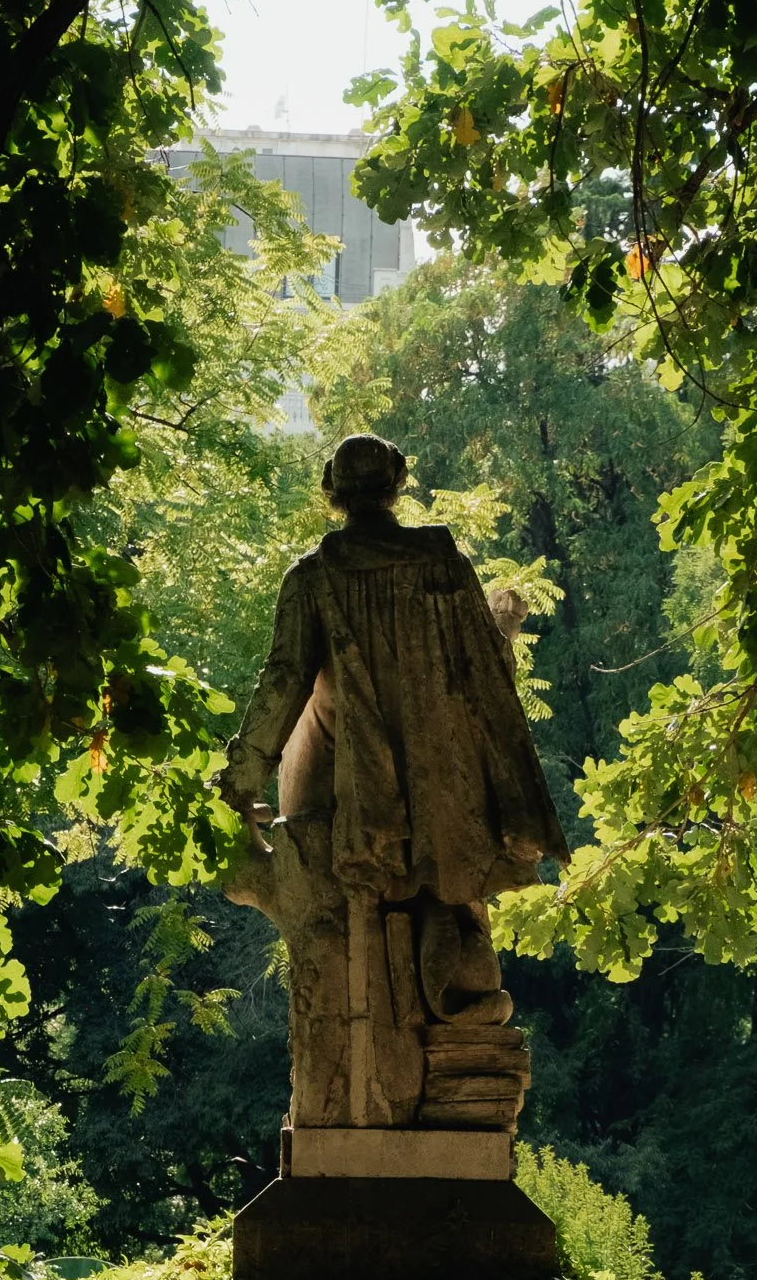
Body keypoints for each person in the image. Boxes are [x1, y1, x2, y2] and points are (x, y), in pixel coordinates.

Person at [221, 431, 569, 1129]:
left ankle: (368, 1101)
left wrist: (242, 776)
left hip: (357, 803)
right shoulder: (444, 564)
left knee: (353, 934)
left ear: (331, 491)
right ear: (399, 483)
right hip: (450, 805)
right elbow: (483, 678)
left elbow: (286, 679)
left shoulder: (315, 576)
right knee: (449, 921)